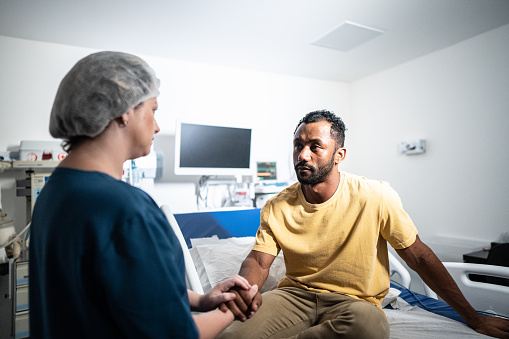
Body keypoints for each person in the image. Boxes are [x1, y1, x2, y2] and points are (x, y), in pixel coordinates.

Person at [219, 110, 509, 338]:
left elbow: (419, 257)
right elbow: (258, 262)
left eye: (315, 146)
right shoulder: (277, 206)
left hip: (356, 302)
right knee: (231, 334)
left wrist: (474, 317)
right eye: (298, 145)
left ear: (339, 155)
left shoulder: (376, 196)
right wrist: (244, 293)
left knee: (368, 330)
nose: (302, 155)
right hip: (295, 295)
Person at [29, 51, 257, 339]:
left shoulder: (54, 192)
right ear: (124, 110)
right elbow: (176, 334)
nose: (158, 125)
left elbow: (119, 287)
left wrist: (200, 300)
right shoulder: (127, 210)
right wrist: (232, 309)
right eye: (153, 109)